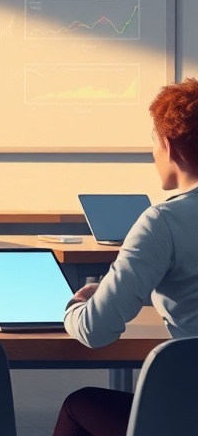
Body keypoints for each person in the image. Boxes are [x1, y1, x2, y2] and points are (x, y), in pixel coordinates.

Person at [53, 78, 198, 436]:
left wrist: (75, 305)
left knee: (78, 404)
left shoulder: (163, 222)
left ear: (168, 145)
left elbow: (95, 330)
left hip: (188, 415)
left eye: (153, 142)